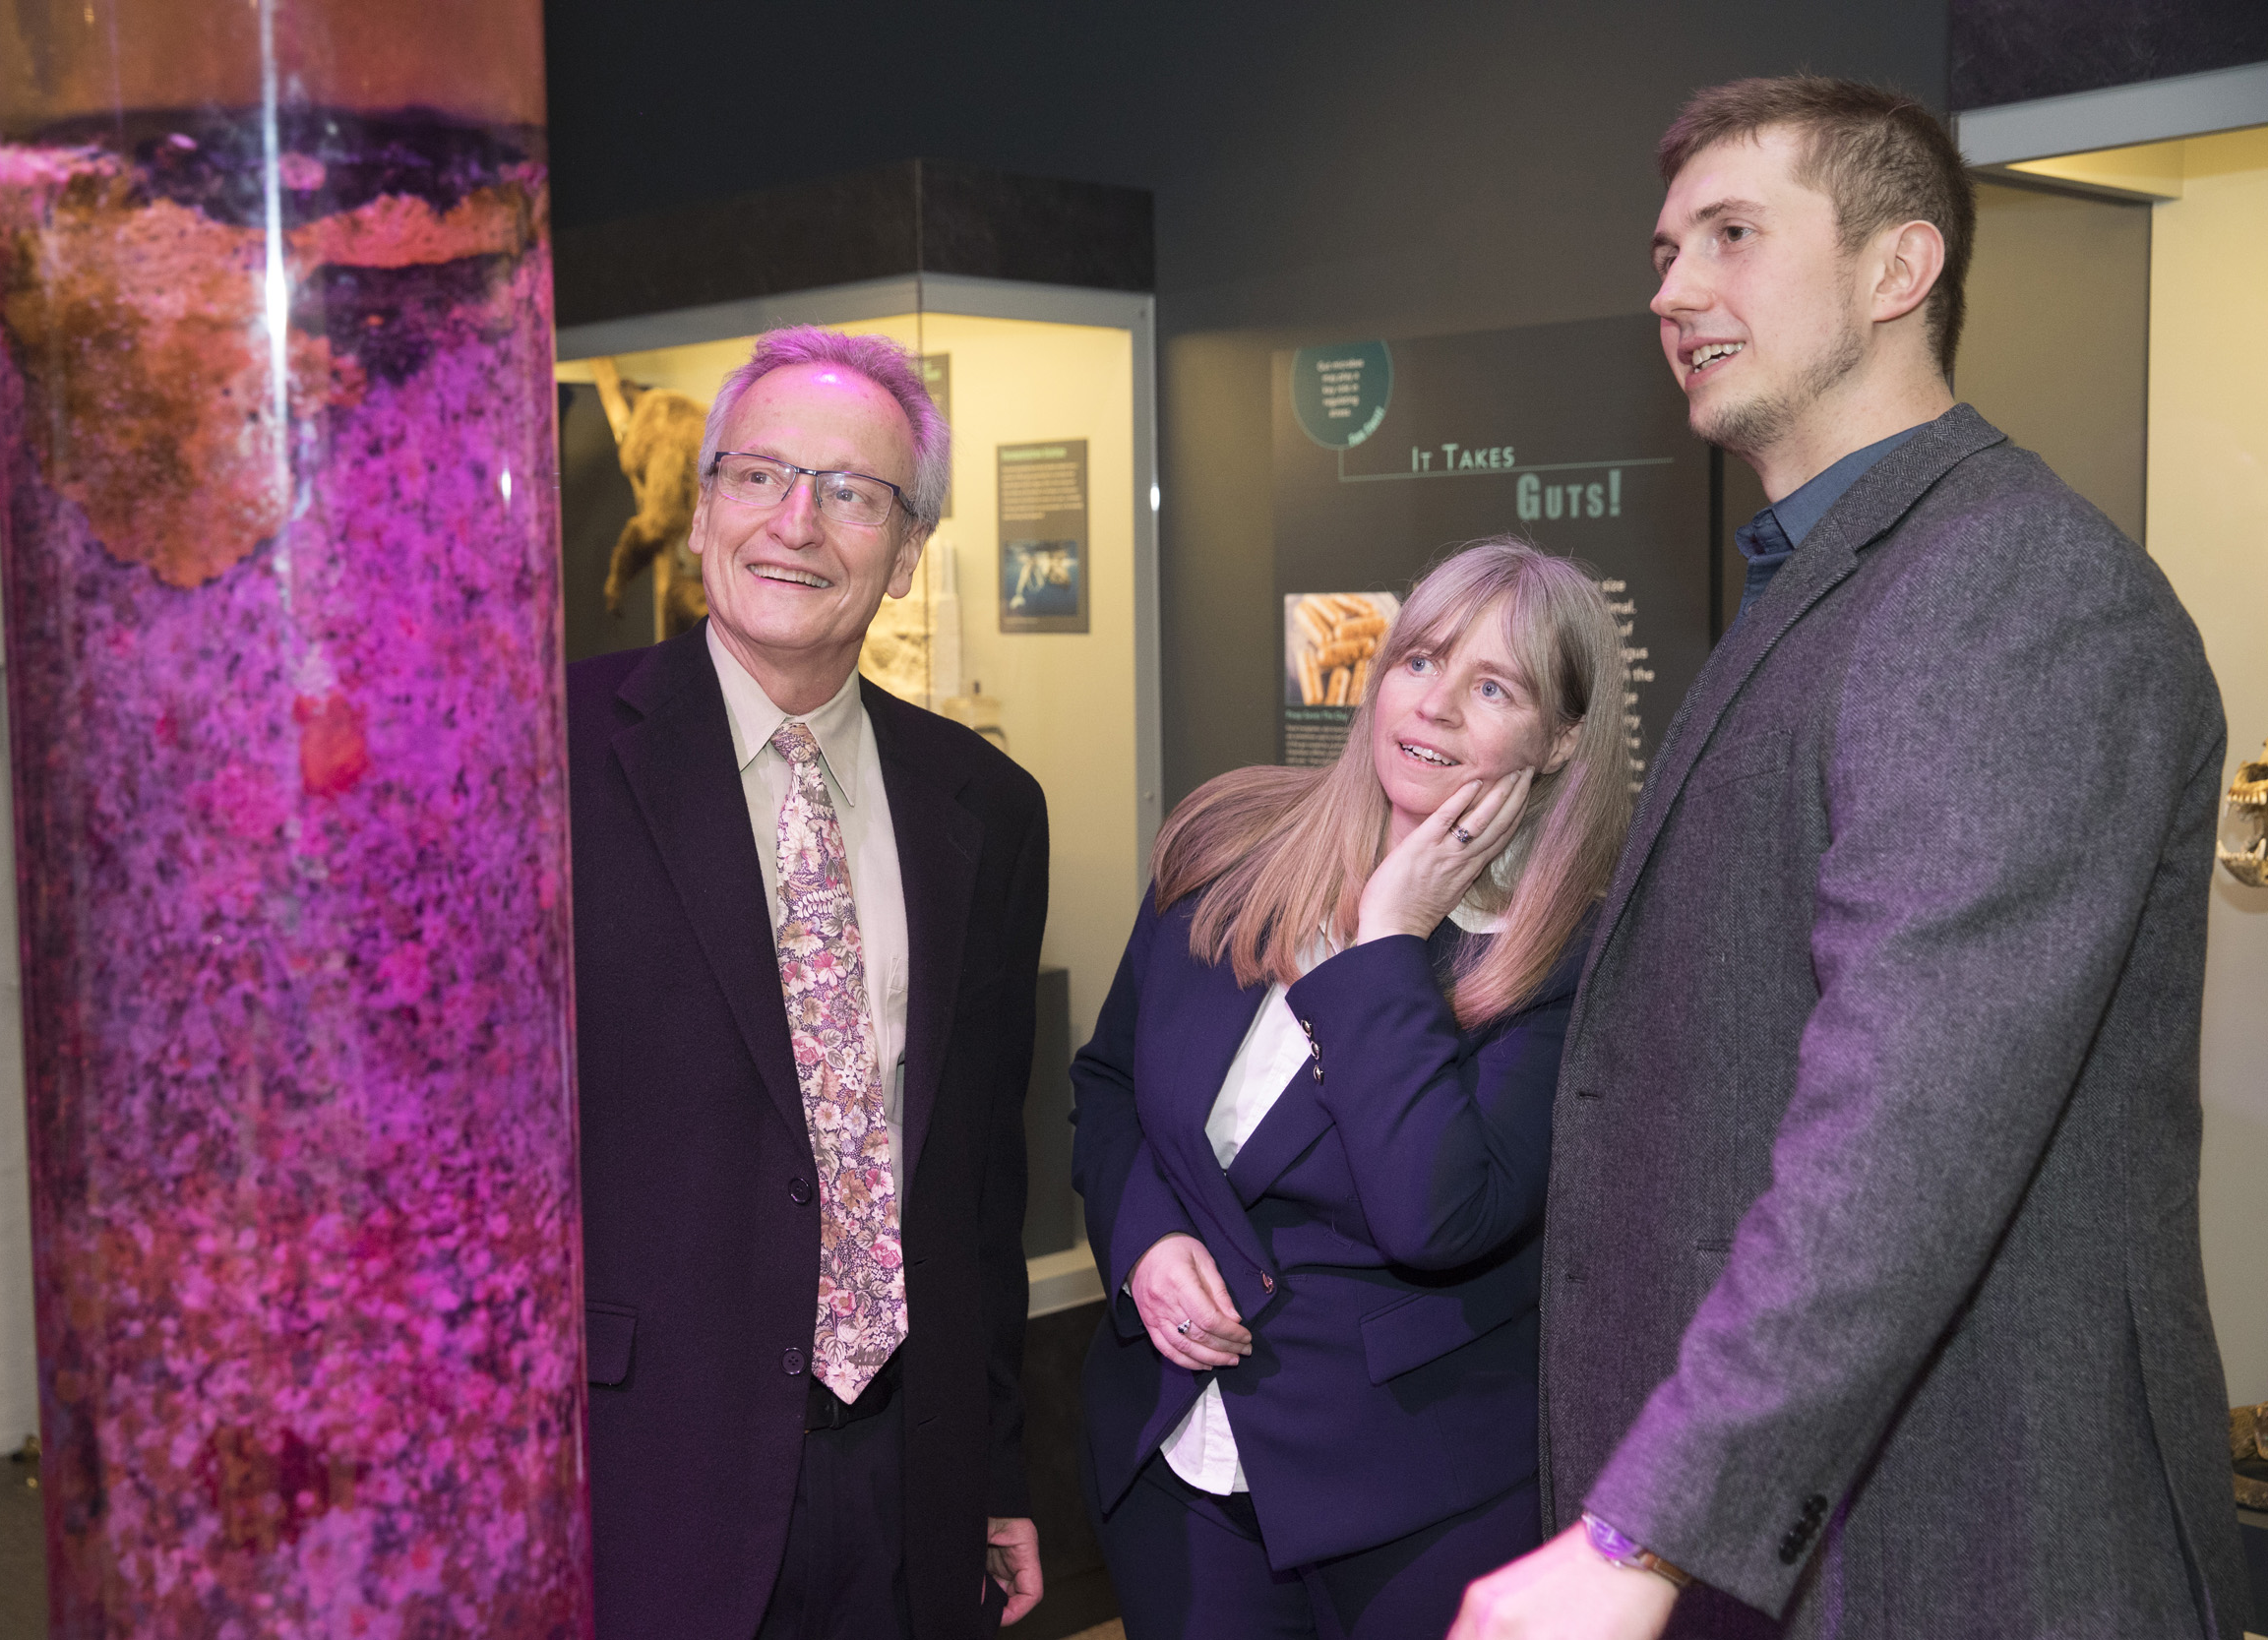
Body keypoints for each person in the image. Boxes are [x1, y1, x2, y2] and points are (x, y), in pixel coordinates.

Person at [1452, 77, 2251, 1639]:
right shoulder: (1845, 575)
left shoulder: (2008, 586)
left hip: (1963, 1534)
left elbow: (1908, 1123)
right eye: (1670, 248)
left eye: (1735, 235)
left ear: (1901, 271)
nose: (1674, 289)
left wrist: (1638, 1536)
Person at [569, 326, 1050, 1639]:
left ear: (904, 555)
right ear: (700, 509)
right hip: (647, 1463)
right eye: (758, 474)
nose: (797, 520)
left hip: (910, 1464)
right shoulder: (546, 761)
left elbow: (979, 1174)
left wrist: (996, 1462)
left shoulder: (987, 808)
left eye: (851, 491)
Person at [1073, 540, 1634, 1639]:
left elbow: (1438, 1214)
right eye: (1419, 661)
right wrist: (1141, 1238)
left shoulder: (1575, 958)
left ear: (1561, 736)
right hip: (1177, 1467)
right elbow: (1107, 1086)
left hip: (1411, 1506)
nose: (1432, 708)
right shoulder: (1227, 844)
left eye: (1492, 688)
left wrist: (1387, 940)